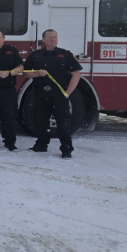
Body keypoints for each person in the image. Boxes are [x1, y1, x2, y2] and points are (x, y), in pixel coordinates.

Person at [24, 29, 82, 159]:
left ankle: (66, 149)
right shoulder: (36, 55)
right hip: (40, 93)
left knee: (63, 123)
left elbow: (76, 74)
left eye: (55, 37)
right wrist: (37, 74)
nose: (52, 40)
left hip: (59, 95)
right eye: (49, 37)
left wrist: (67, 93)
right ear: (43, 40)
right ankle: (41, 145)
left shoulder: (65, 55)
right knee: (41, 121)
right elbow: (26, 73)